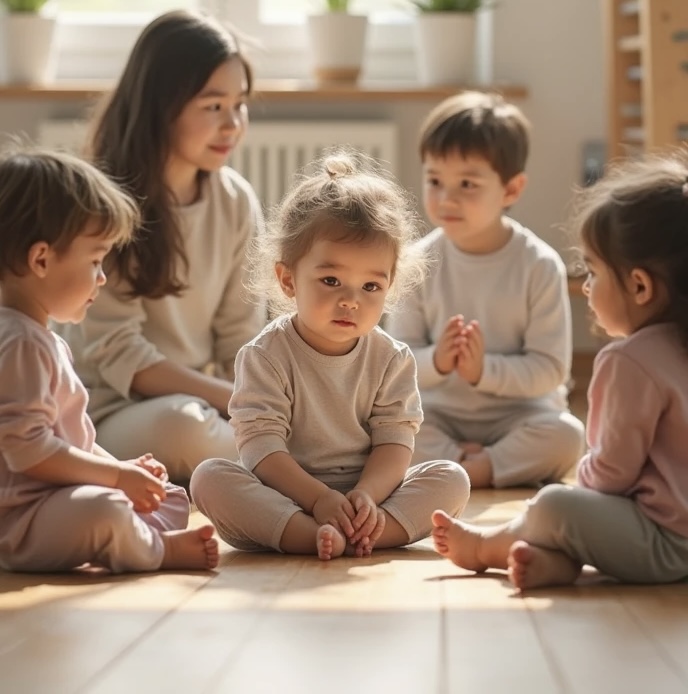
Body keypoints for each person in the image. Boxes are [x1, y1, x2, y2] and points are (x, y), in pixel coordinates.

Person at [190, 149, 470, 560]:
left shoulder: (392, 359)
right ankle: (305, 533)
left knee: (452, 478)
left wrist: (367, 498)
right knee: (209, 478)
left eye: (371, 287)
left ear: (390, 286)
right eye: (331, 280)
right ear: (288, 280)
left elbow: (395, 443)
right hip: (288, 495)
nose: (351, 301)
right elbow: (260, 447)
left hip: (368, 497)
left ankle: (370, 532)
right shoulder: (265, 355)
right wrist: (318, 499)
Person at [431, 151, 688, 589]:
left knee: (553, 506)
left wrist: (576, 490)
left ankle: (484, 547)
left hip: (667, 546)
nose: (586, 287)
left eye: (593, 271)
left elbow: (611, 476)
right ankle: (555, 563)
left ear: (640, 286)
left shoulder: (629, 361)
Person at [59, 10, 264, 483]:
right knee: (184, 429)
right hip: (110, 411)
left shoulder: (234, 201)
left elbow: (240, 336)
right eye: (213, 106)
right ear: (160, 105)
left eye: (240, 104)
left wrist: (259, 404)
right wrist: (231, 401)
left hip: (202, 400)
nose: (232, 124)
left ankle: (277, 467)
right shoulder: (101, 202)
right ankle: (289, 470)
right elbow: (120, 353)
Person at [0, 147, 218, 573]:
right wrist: (115, 479)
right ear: (41, 259)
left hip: (50, 500)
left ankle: (140, 532)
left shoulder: (39, 338)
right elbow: (30, 454)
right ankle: (160, 551)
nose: (102, 278)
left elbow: (71, 440)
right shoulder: (21, 343)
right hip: (20, 522)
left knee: (168, 494)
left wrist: (118, 467)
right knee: (105, 509)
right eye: (96, 261)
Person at [386, 91, 584, 489]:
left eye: (467, 184)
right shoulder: (417, 262)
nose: (446, 198)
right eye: (435, 180)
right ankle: (468, 463)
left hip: (519, 414)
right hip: (439, 415)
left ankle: (464, 470)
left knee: (567, 436)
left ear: (510, 190)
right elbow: (395, 364)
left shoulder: (539, 265)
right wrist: (438, 362)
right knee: (383, 431)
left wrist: (483, 372)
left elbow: (549, 371)